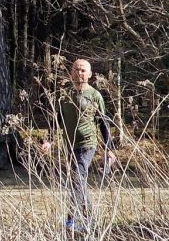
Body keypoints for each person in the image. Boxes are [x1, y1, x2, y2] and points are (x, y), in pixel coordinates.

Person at [40, 58, 116, 231]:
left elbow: (104, 122)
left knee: (77, 179)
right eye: (76, 69)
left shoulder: (94, 96)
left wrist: (109, 148)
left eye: (83, 70)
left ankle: (71, 220)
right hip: (70, 145)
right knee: (78, 181)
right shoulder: (65, 95)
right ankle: (90, 220)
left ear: (89, 75)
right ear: (71, 72)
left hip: (88, 144)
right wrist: (48, 141)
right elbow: (57, 121)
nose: (79, 73)